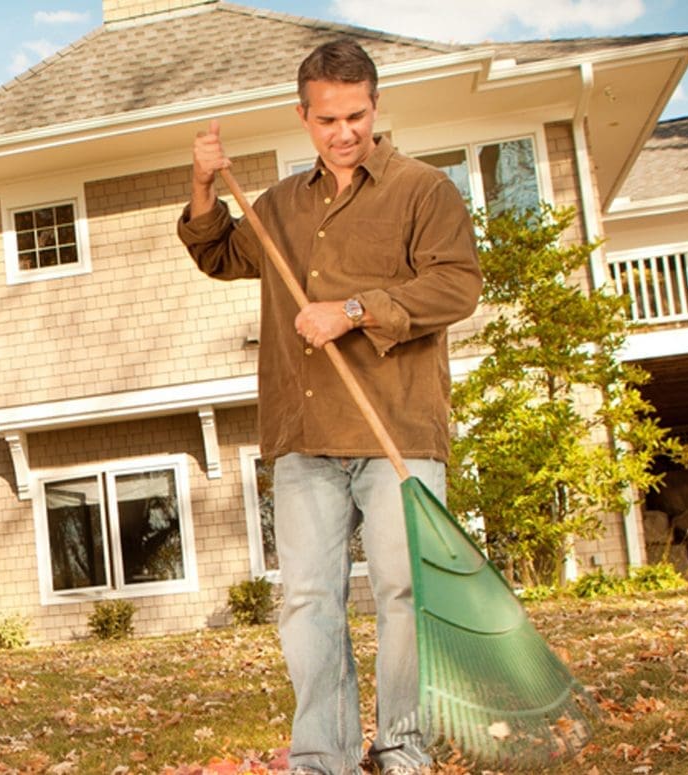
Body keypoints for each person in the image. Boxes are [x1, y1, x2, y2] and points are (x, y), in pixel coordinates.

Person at [175, 39, 484, 775]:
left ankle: (404, 746)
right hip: (304, 434)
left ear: (376, 107)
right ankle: (324, 755)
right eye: (327, 119)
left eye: (356, 115)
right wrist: (201, 181)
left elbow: (457, 286)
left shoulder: (422, 190)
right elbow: (215, 250)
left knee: (404, 594)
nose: (343, 132)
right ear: (303, 117)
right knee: (309, 602)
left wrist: (352, 311)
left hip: (397, 434)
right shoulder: (281, 205)